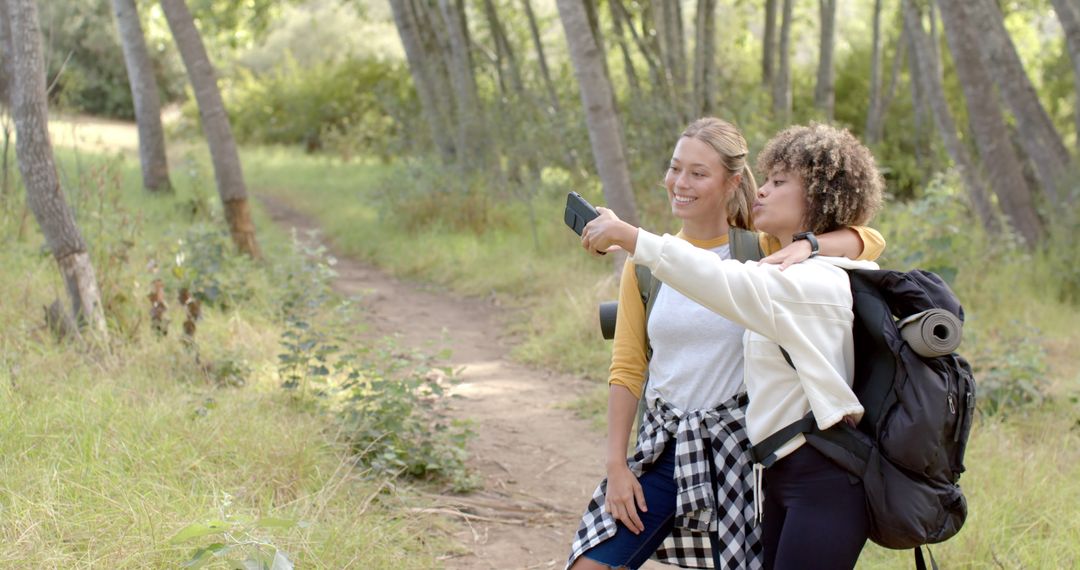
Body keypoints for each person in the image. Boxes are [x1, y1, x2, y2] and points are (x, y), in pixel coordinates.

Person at [565, 118, 884, 570]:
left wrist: (810, 245)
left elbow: (869, 239)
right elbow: (628, 368)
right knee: (591, 562)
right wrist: (617, 465)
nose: (680, 182)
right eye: (675, 169)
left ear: (732, 181)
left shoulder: (764, 250)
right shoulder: (646, 265)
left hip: (744, 453)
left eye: (698, 173)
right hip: (668, 445)